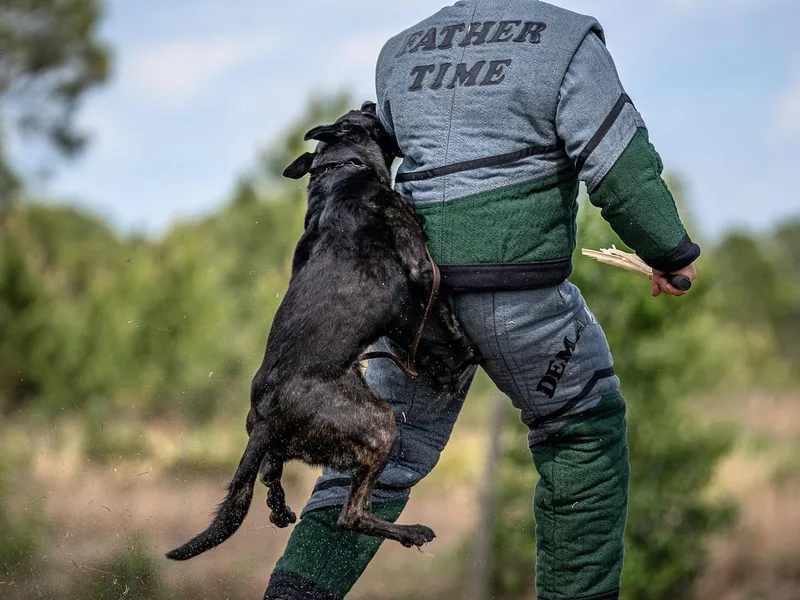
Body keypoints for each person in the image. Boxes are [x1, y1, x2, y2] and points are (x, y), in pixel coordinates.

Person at [265, 1, 699, 599]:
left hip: (415, 302)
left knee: (374, 454)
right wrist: (669, 252)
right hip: (520, 297)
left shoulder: (399, 52)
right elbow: (620, 168)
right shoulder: (568, 40)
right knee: (583, 432)